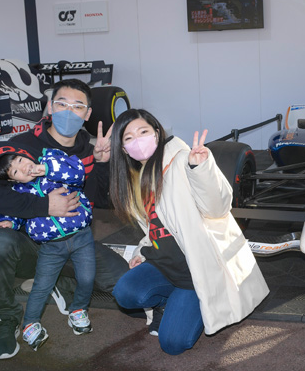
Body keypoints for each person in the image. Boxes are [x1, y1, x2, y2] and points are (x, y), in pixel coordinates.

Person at [0, 78, 129, 360]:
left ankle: (60, 283)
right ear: (49, 106)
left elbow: (102, 200)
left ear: (87, 114)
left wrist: (102, 164)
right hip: (31, 241)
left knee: (123, 282)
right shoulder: (20, 146)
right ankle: (6, 319)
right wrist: (44, 205)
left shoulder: (89, 149)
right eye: (61, 104)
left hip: (75, 241)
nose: (68, 112)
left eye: (77, 106)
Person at [109, 109, 269, 355]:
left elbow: (218, 207)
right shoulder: (134, 179)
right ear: (122, 148)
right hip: (163, 264)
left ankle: (183, 302)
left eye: (143, 132)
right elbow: (154, 225)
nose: (137, 140)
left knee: (173, 344)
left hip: (196, 272)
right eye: (128, 138)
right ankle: (166, 300)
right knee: (125, 293)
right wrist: (143, 249)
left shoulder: (184, 161)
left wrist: (201, 168)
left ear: (158, 133)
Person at [0, 141, 95, 351]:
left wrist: (47, 168)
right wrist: (8, 222)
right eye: (16, 171)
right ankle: (30, 323)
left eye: (20, 160)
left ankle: (78, 310)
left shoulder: (51, 162)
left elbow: (77, 173)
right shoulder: (18, 192)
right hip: (51, 246)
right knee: (41, 286)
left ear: (27, 154)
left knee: (87, 277)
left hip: (82, 237)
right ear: (12, 179)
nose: (23, 168)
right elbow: (14, 211)